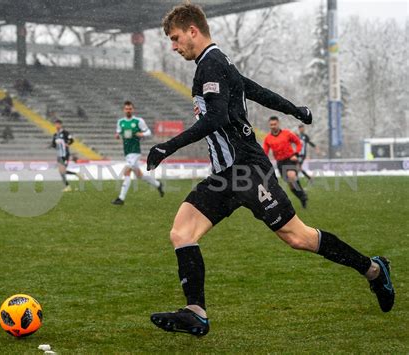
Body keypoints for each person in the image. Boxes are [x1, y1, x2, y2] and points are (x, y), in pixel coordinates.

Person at [146, 3, 394, 337]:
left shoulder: (213, 64)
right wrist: (295, 109)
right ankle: (196, 313)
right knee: (181, 233)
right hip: (225, 175)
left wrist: (167, 147)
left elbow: (217, 118)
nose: (174, 47)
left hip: (248, 171)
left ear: (193, 30)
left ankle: (375, 271)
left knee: (299, 237)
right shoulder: (216, 64)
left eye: (176, 39)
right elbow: (256, 90)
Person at [112, 101, 164, 205]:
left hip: (135, 152)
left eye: (130, 108)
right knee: (140, 175)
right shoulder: (120, 122)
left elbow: (148, 132)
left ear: (133, 109)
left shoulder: (138, 121)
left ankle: (121, 198)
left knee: (126, 172)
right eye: (126, 109)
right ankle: (158, 184)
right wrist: (117, 135)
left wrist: (142, 134)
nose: (128, 110)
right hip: (127, 152)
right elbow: (118, 133)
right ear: (124, 110)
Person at [263, 116, 308, 208]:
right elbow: (265, 152)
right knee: (291, 186)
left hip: (290, 159)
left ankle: (303, 194)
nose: (273, 126)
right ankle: (302, 197)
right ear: (269, 125)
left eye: (275, 124)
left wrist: (296, 153)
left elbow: (298, 142)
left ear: (278, 123)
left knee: (291, 176)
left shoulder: (287, 133)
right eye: (271, 125)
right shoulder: (268, 138)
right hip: (280, 162)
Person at [51, 119, 83, 192]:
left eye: (58, 124)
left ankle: (68, 186)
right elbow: (53, 144)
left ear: (61, 125)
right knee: (61, 171)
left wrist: (67, 144)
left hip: (65, 154)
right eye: (56, 124)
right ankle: (75, 175)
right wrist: (54, 145)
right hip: (59, 155)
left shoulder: (65, 133)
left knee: (62, 170)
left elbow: (71, 140)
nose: (57, 125)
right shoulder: (55, 135)